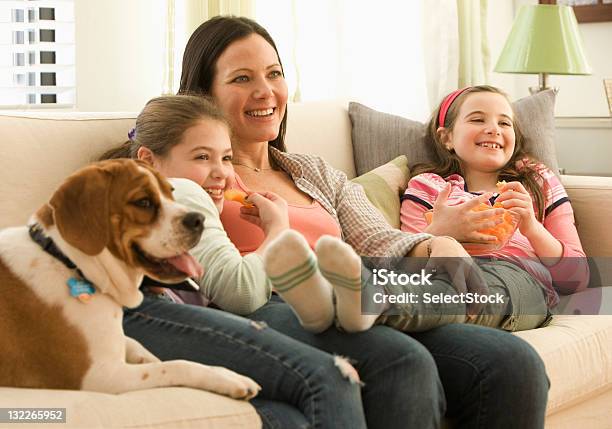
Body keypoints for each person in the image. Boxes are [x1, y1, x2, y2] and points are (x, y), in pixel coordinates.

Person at [179, 15, 549, 428]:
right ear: (204, 93)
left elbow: (377, 239)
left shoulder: (312, 171)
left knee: (513, 363)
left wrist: (434, 244)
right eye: (242, 78)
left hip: (361, 294)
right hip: (269, 303)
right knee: (402, 362)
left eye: (274, 74)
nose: (265, 92)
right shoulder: (195, 175)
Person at [100, 94, 369, 429]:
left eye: (226, 158)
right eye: (202, 157)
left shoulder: (147, 201)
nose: (222, 174)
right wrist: (277, 232)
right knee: (330, 378)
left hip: (134, 318)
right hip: (137, 315)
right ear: (148, 161)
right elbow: (240, 292)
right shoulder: (178, 190)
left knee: (287, 418)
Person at [262, 85, 589, 335]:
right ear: (446, 137)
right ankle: (342, 298)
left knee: (474, 293)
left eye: (505, 123)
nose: (493, 128)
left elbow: (577, 279)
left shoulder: (537, 181)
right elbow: (407, 256)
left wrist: (532, 227)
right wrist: (441, 232)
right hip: (439, 273)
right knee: (430, 287)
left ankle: (360, 304)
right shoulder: (428, 186)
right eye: (477, 119)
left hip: (517, 278)